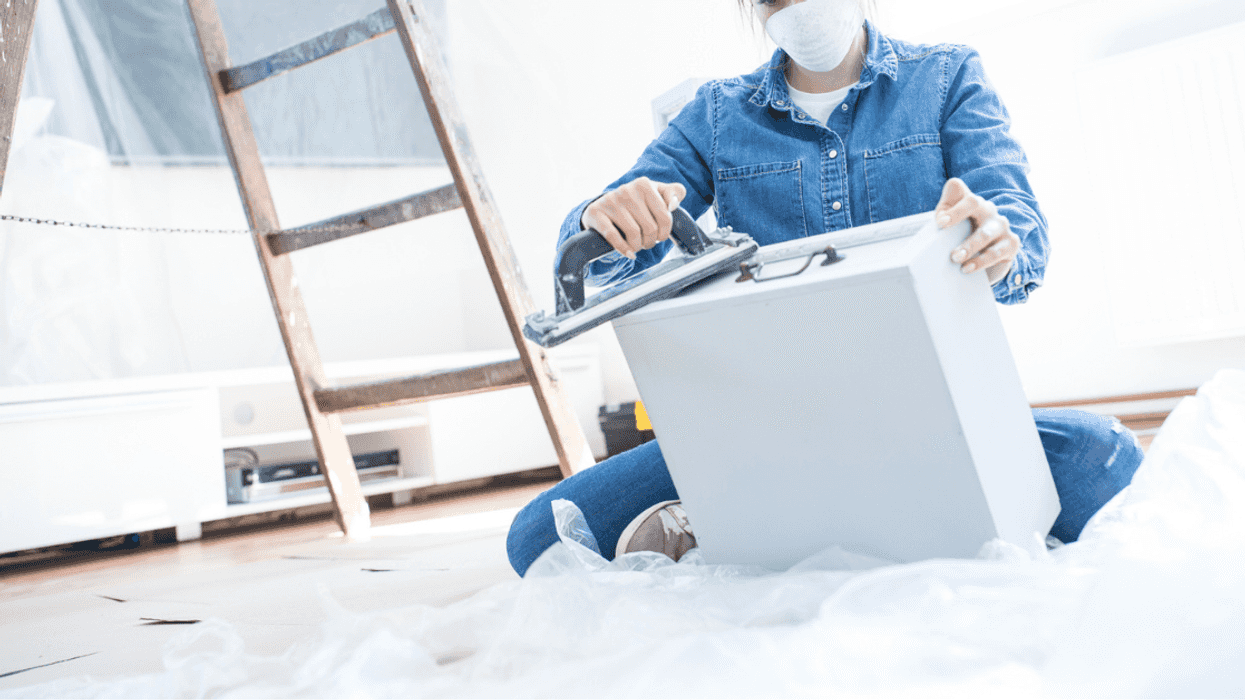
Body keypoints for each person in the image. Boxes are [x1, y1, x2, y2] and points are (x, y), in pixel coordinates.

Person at [506, 0, 1144, 577]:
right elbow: (599, 252)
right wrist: (602, 218)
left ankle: (760, 523)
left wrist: (998, 239)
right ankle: (785, 514)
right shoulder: (718, 114)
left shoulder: (946, 77)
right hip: (759, 426)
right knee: (539, 539)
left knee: (1106, 463)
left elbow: (1019, 230)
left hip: (928, 416)